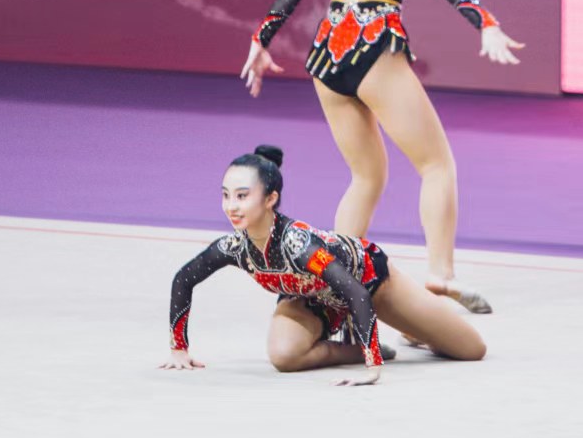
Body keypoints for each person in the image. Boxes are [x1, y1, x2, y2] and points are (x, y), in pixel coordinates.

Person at [240, 0, 524, 314]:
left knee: (366, 176)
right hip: (373, 48)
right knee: (436, 165)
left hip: (328, 56)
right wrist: (486, 23)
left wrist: (260, 41)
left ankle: (333, 290)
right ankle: (440, 275)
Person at [161, 145, 486, 386]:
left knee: (471, 349)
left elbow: (356, 292)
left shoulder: (299, 245)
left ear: (271, 198)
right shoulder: (235, 247)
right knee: (284, 356)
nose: (231, 206)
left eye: (242, 196)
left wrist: (372, 370)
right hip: (312, 297)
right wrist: (179, 348)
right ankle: (359, 348)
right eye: (226, 195)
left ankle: (410, 328)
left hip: (370, 283)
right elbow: (184, 279)